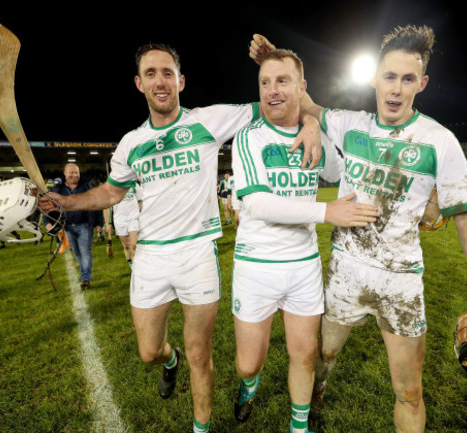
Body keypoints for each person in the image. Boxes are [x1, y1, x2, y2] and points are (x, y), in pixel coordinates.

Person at [39, 43, 322, 433]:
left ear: (181, 81)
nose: (161, 81)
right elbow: (110, 193)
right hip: (151, 257)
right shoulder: (130, 144)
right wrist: (67, 203)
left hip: (197, 254)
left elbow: (283, 103)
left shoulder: (210, 120)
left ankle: (200, 428)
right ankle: (167, 362)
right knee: (149, 351)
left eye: (168, 73)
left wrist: (310, 122)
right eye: (151, 74)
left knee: (199, 353)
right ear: (139, 83)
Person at [250, 26, 467, 433]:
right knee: (324, 355)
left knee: (409, 393)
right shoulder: (351, 124)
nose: (396, 89)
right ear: (374, 79)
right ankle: (318, 392)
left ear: (421, 84)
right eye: (389, 77)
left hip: (400, 285)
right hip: (344, 274)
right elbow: (305, 102)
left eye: (407, 80)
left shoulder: (440, 141)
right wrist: (273, 61)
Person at [231, 48, 379, 433]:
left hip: (302, 266)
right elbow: (259, 204)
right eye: (265, 82)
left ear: (301, 87)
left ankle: (299, 427)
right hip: (256, 266)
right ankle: (250, 384)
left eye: (282, 81)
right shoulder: (248, 137)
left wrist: (313, 122)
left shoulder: (315, 133)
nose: (272, 90)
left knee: (305, 355)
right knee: (248, 362)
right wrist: (326, 212)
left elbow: (343, 172)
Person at [45, 163, 104, 290]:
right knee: (77, 253)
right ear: (65, 174)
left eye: (76, 172)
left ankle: (85, 278)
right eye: (71, 172)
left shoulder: (87, 186)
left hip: (85, 226)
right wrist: (47, 222)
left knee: (85, 252)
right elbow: (48, 206)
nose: (74, 175)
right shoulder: (57, 190)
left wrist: (99, 222)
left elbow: (96, 204)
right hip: (68, 227)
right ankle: (84, 274)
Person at [104, 183, 143, 268]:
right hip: (119, 221)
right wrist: (107, 224)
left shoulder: (134, 184)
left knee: (134, 245)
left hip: (133, 218)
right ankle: (132, 268)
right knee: (126, 246)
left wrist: (140, 215)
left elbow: (140, 202)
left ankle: (138, 269)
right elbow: (106, 207)